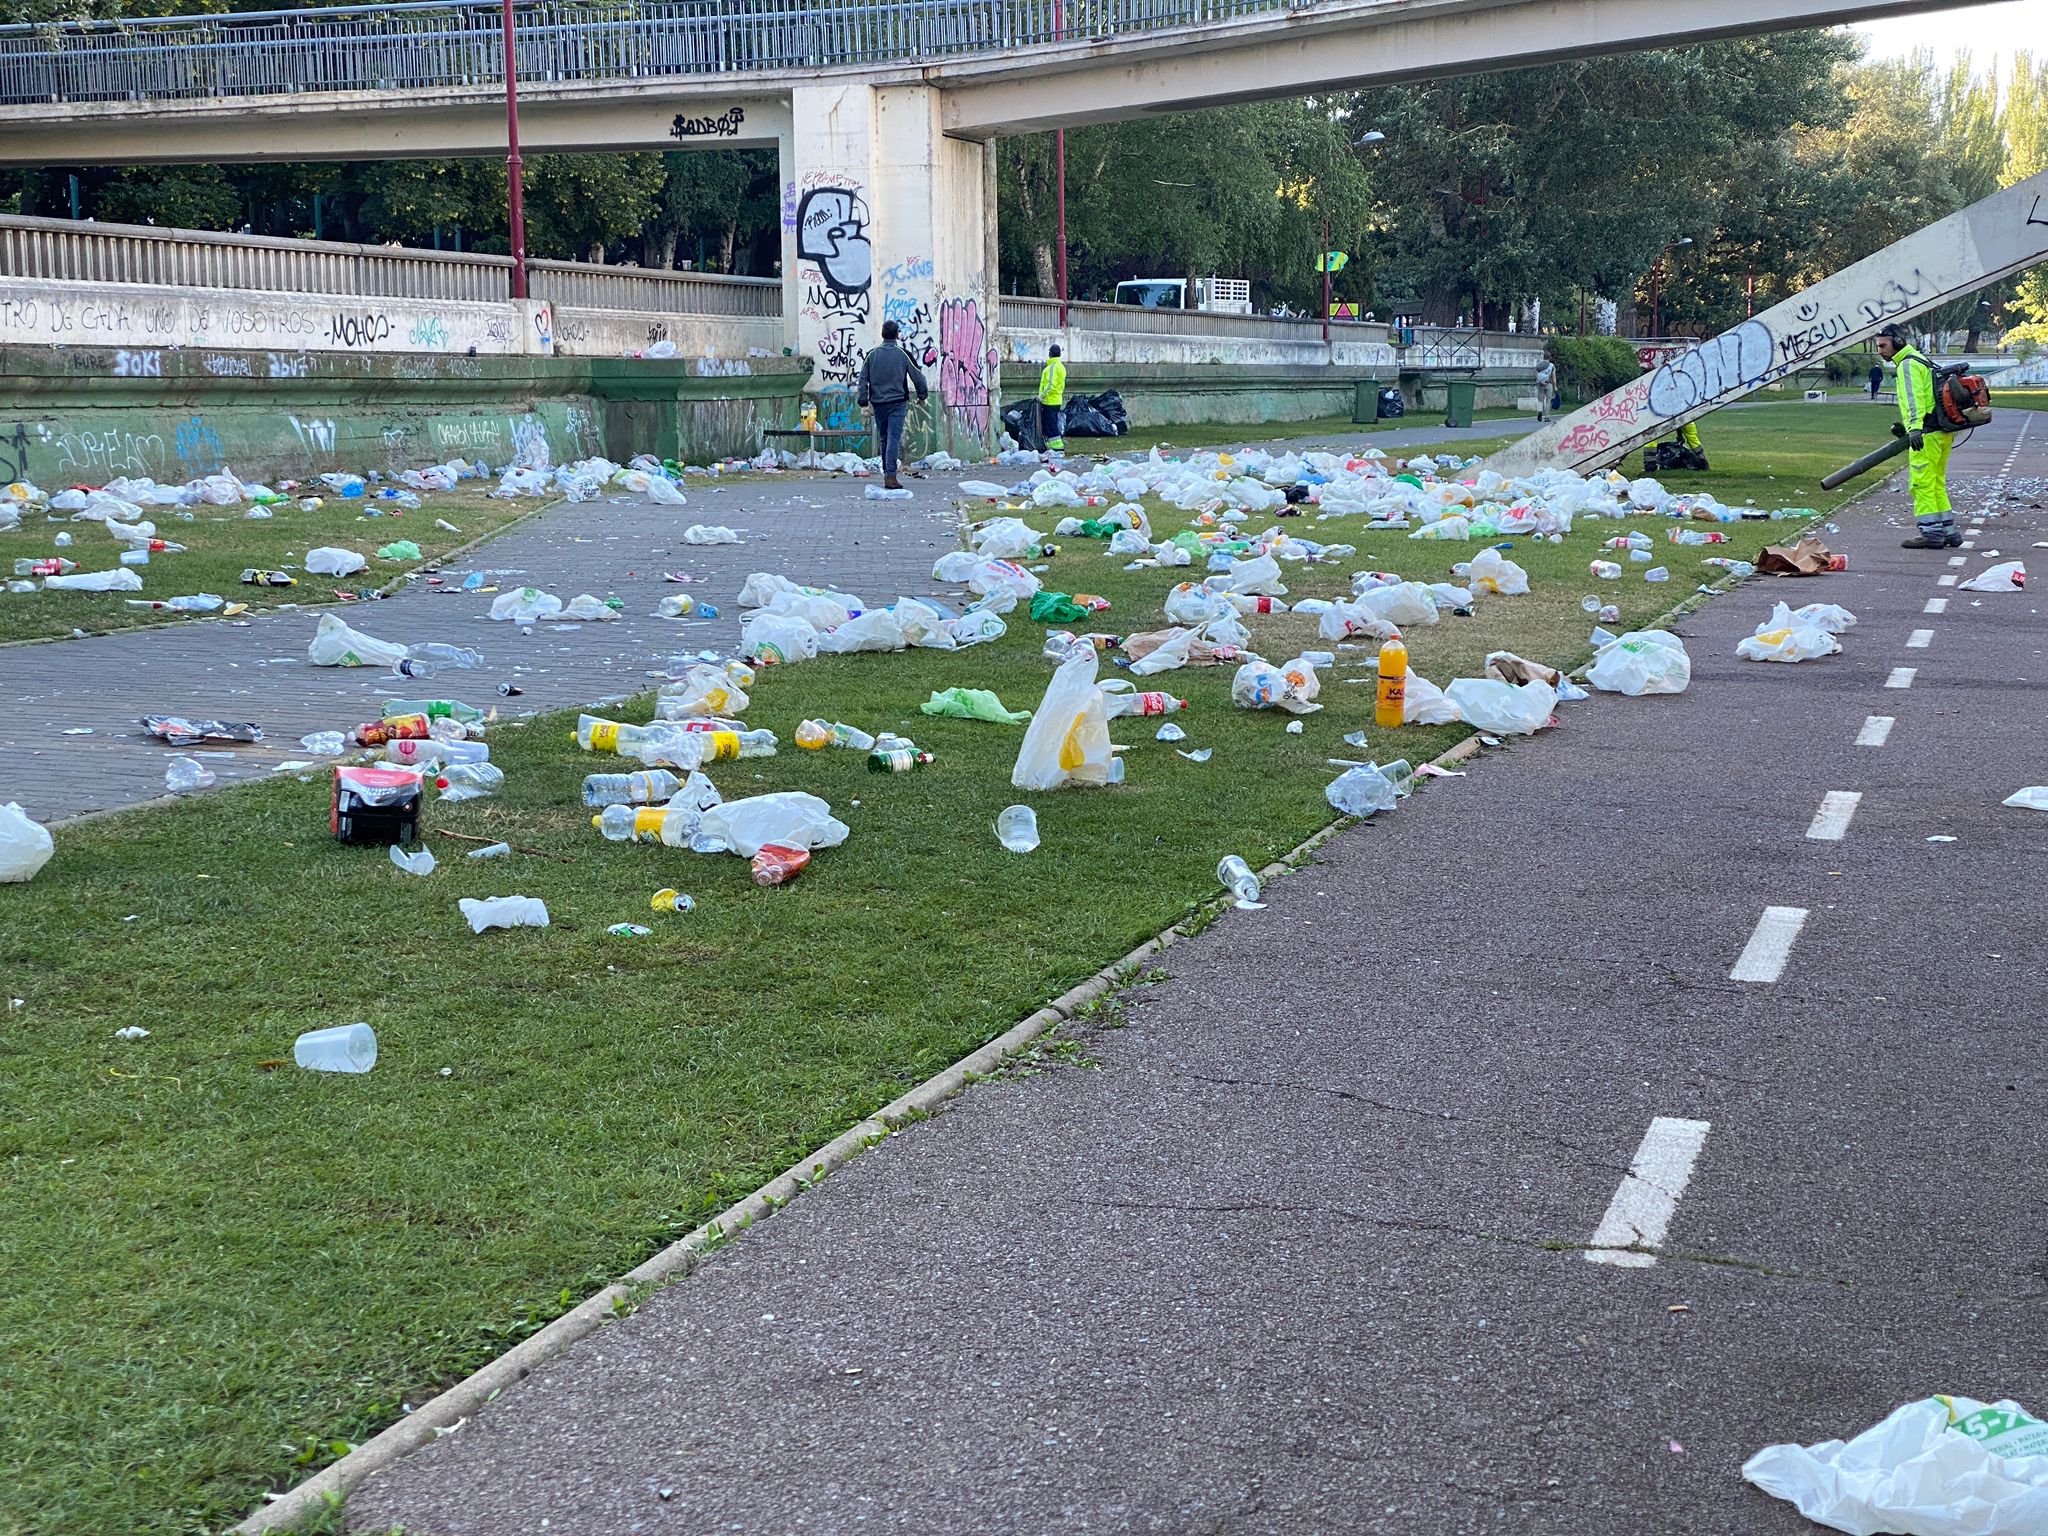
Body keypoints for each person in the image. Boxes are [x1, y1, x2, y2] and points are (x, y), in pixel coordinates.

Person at [1873, 322, 1958, 549]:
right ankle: (1949, 531)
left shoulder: (1907, 365)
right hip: (1942, 431)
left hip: (1926, 433)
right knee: (1937, 482)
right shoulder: (1922, 360)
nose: (1879, 351)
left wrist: (1914, 429)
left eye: (1883, 345)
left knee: (1921, 483)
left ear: (1898, 342)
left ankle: (1930, 533)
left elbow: (1914, 400)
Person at [856, 319, 928, 491]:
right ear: (897, 335)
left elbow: (863, 379)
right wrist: (922, 395)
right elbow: (918, 376)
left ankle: (887, 473)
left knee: (884, 438)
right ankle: (890, 475)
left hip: (878, 402)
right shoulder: (903, 354)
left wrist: (863, 402)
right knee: (894, 438)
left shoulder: (872, 355)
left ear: (882, 334)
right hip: (897, 402)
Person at [1037, 345, 1067, 455]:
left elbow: (1050, 385)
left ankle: (1057, 447)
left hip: (1049, 400)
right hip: (1057, 399)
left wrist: (1041, 396)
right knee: (1052, 422)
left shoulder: (1052, 367)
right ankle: (1054, 444)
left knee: (1051, 424)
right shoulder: (1061, 366)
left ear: (1050, 353)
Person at [1534, 356, 1558, 422]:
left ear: (1543, 357)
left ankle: (1540, 411)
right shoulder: (1551, 366)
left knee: (1540, 400)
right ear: (1549, 357)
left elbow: (1535, 375)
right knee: (1548, 400)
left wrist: (1539, 382)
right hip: (1549, 384)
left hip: (1540, 384)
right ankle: (1547, 417)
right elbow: (1553, 377)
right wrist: (1555, 386)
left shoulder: (1538, 365)